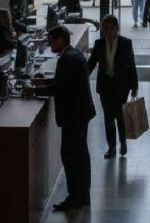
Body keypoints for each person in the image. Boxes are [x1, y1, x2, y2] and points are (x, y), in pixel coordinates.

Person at [48, 26, 96, 211]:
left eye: (51, 41)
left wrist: (36, 90)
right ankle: (83, 194)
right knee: (80, 154)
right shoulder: (74, 54)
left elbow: (60, 87)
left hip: (73, 115)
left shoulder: (67, 59)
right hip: (81, 113)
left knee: (70, 155)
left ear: (60, 40)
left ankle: (75, 196)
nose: (50, 45)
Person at [87, 15, 138, 158]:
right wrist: (82, 75)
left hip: (121, 86)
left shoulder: (125, 43)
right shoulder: (99, 44)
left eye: (111, 28)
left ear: (117, 28)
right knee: (108, 118)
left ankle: (123, 142)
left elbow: (132, 66)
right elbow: (91, 64)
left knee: (120, 116)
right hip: (105, 86)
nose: (108, 32)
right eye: (105, 29)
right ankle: (111, 147)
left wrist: (134, 86)